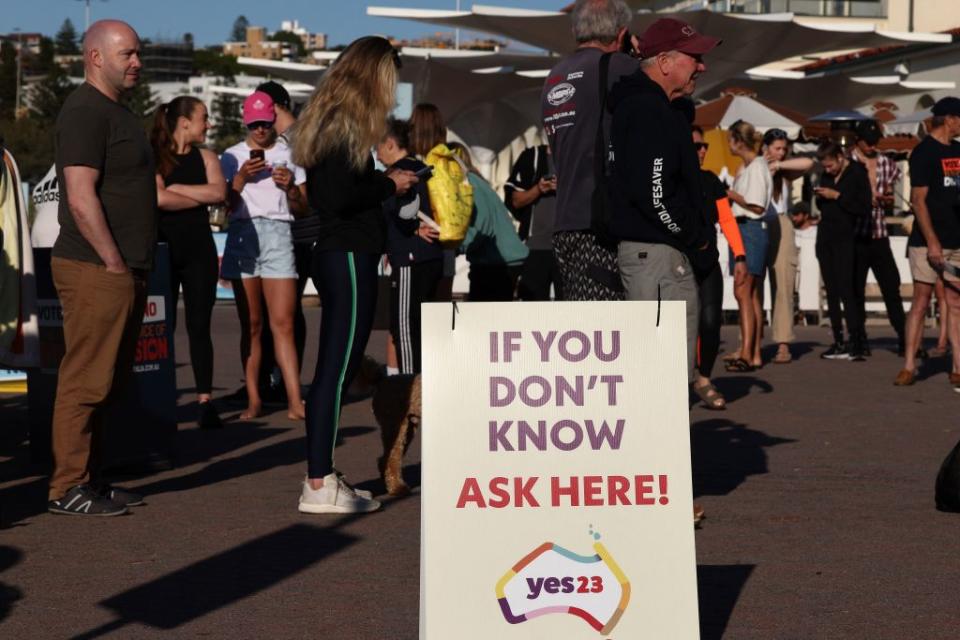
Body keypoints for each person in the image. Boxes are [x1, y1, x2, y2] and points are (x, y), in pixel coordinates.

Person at [292, 36, 418, 513]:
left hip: (346, 251)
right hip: (346, 252)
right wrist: (390, 181)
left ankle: (322, 476)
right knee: (337, 370)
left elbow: (335, 190)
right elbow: (339, 195)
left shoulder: (334, 116)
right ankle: (319, 482)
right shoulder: (344, 120)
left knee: (338, 370)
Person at [48, 20, 155, 516]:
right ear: (95, 57)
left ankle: (94, 480)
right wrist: (112, 261)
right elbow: (79, 195)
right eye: (126, 54)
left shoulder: (116, 112)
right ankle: (66, 487)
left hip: (122, 267)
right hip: (96, 267)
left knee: (108, 381)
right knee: (86, 379)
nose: (137, 62)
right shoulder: (86, 112)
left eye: (137, 54)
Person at [607, 17, 721, 386]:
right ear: (665, 63)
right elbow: (654, 193)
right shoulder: (647, 109)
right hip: (657, 254)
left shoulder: (651, 107)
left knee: (661, 378)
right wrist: (695, 235)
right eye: (693, 57)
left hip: (655, 252)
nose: (701, 66)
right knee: (663, 380)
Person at [542, 0, 639, 301]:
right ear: (621, 33)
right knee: (609, 331)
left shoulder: (554, 75)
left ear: (575, 30)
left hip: (565, 221)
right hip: (604, 222)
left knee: (582, 327)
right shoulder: (620, 68)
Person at [220, 91, 308, 420]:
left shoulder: (289, 154)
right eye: (254, 124)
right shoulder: (230, 156)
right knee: (252, 325)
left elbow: (302, 209)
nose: (259, 130)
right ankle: (254, 398)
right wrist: (240, 179)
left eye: (264, 123)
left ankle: (294, 400)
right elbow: (224, 208)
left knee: (283, 323)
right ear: (246, 123)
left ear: (273, 121)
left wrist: (292, 189)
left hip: (279, 233)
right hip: (243, 234)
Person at [151, 96, 226, 429]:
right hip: (163, 250)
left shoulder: (208, 157)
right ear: (184, 122)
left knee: (199, 326)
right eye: (204, 118)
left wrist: (179, 188)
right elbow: (157, 199)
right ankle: (161, 398)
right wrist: (196, 196)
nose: (208, 125)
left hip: (200, 253)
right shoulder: (154, 157)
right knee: (162, 329)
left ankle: (205, 400)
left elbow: (219, 194)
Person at [250, 80, 310, 401]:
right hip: (290, 231)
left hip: (300, 232)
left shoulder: (298, 139)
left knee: (286, 312)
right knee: (282, 311)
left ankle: (284, 381)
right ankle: (276, 380)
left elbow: (304, 190)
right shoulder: (288, 137)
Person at [895, 97, 960, 388]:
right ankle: (909, 365)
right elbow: (919, 202)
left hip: (956, 239)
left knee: (955, 301)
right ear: (950, 119)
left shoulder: (958, 151)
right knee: (921, 300)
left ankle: (958, 366)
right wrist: (932, 242)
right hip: (926, 241)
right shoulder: (923, 153)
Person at [375, 117, 443, 374]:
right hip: (432, 256)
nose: (377, 154)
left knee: (403, 326)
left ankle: (410, 387)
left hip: (409, 256)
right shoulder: (424, 167)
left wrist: (411, 230)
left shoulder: (397, 173)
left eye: (378, 147)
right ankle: (426, 382)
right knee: (423, 326)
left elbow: (389, 206)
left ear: (390, 144)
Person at [691, 126, 746, 409]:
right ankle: (678, 381)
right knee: (683, 326)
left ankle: (704, 379)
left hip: (709, 262)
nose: (702, 151)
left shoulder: (710, 180)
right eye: (696, 146)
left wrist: (740, 256)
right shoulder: (668, 181)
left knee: (711, 322)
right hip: (680, 263)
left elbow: (726, 220)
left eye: (704, 147)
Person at [849, 122, 906, 356]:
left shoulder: (886, 163)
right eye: (868, 142)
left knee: (891, 287)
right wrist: (862, 199)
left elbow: (892, 195)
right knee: (856, 289)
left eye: (876, 142)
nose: (872, 146)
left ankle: (905, 336)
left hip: (880, 233)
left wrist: (885, 199)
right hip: (857, 233)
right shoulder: (848, 162)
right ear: (858, 140)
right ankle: (859, 338)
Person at [813, 141, 871, 361]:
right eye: (825, 168)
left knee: (848, 289)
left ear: (839, 157)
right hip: (826, 235)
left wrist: (837, 196)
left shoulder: (856, 173)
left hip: (846, 237)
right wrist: (821, 196)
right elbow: (822, 206)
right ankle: (838, 340)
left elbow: (864, 207)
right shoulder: (827, 176)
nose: (828, 171)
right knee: (832, 290)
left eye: (830, 166)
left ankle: (856, 341)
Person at [450, 142, 530, 300]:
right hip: (498, 261)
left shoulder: (470, 184)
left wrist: (454, 246)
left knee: (485, 317)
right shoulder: (476, 182)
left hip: (497, 263)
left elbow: (481, 226)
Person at [762, 129, 814, 365]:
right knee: (752, 286)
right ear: (766, 147)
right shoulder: (754, 166)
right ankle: (749, 343)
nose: (781, 153)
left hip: (782, 222)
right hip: (757, 222)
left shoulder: (784, 171)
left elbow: (808, 162)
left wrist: (779, 166)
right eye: (777, 148)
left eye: (784, 149)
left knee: (783, 283)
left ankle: (783, 343)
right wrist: (764, 165)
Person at [725, 120, 773, 372]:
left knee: (743, 291)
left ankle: (747, 352)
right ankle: (753, 353)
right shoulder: (751, 166)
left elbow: (756, 205)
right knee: (750, 293)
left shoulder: (755, 167)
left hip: (750, 228)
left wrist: (732, 196)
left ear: (738, 141)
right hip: (746, 229)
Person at [408, 103, 456, 302]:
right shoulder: (449, 160)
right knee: (441, 311)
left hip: (419, 244)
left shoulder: (411, 165)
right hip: (446, 242)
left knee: (412, 315)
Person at [504, 142, 563, 301]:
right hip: (535, 249)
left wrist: (564, 189)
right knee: (533, 310)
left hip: (568, 249)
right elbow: (514, 200)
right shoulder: (532, 156)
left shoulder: (576, 155)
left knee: (570, 309)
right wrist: (538, 189)